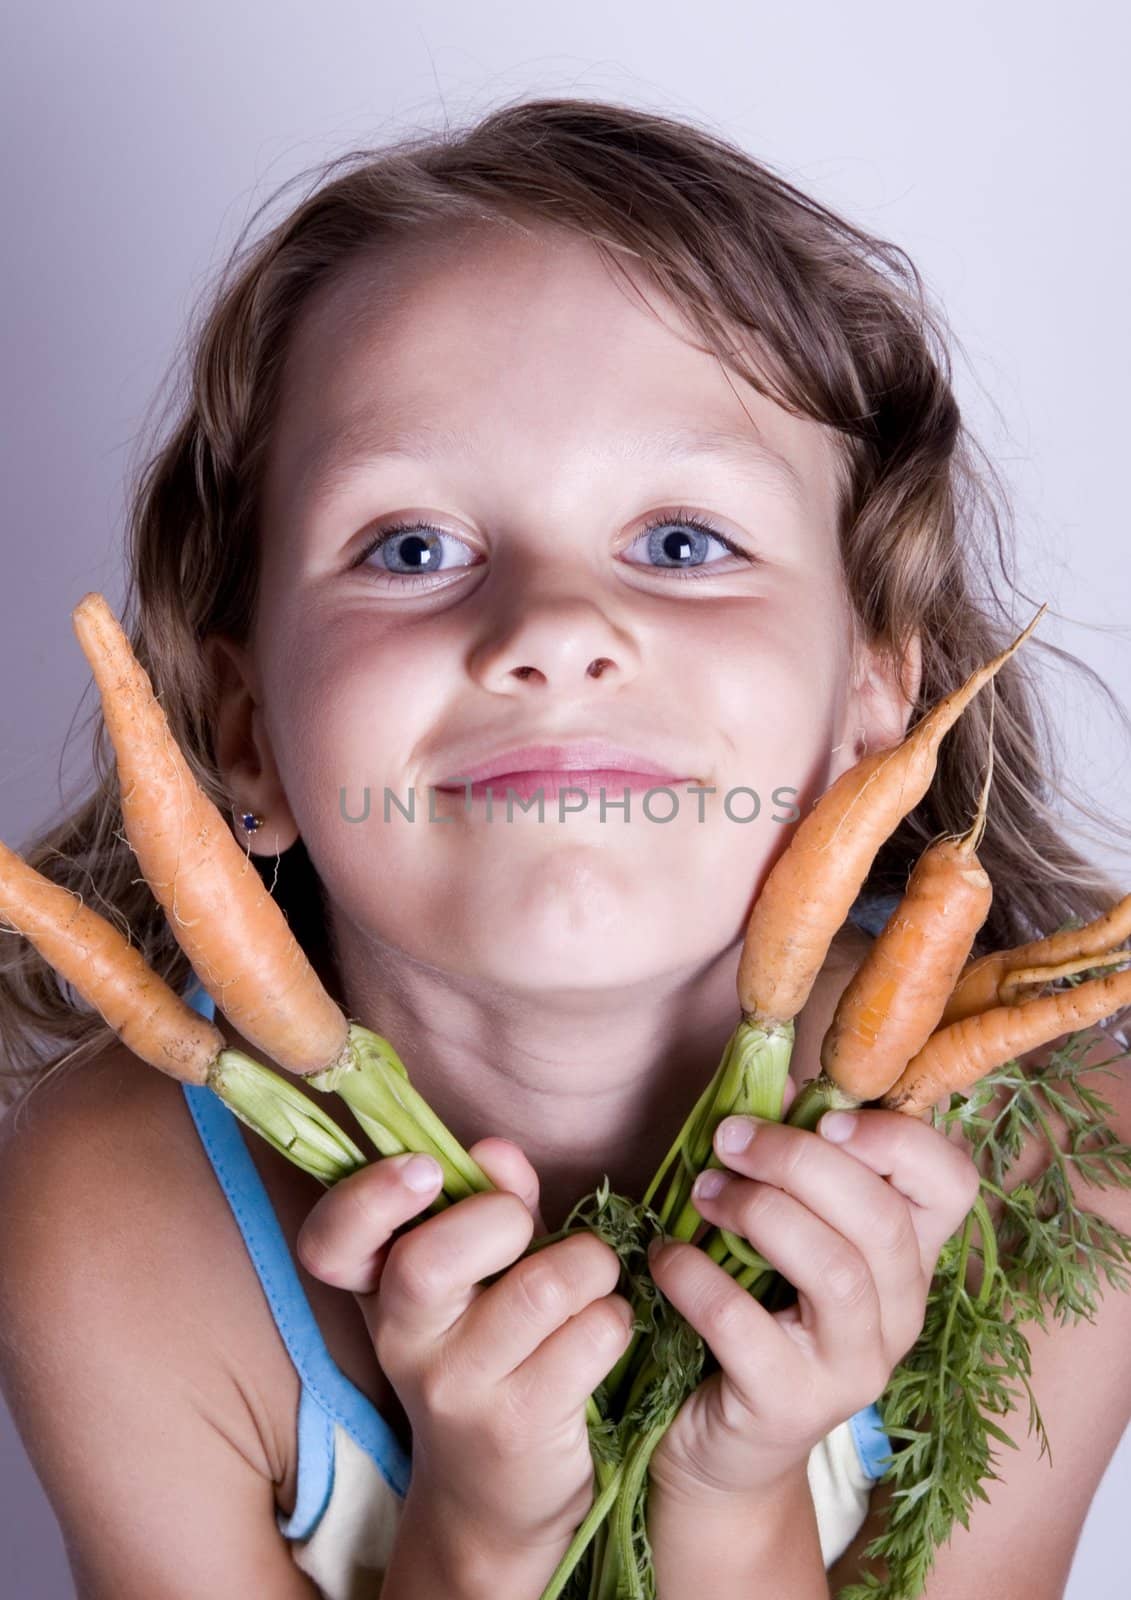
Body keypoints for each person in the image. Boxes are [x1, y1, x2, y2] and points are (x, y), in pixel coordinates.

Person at [1, 96, 1129, 1600]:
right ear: (242, 728)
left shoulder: (1065, 1168)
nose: (552, 633)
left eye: (680, 542)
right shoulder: (123, 1215)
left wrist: (731, 1503)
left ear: (875, 696)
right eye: (410, 548)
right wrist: (473, 1536)